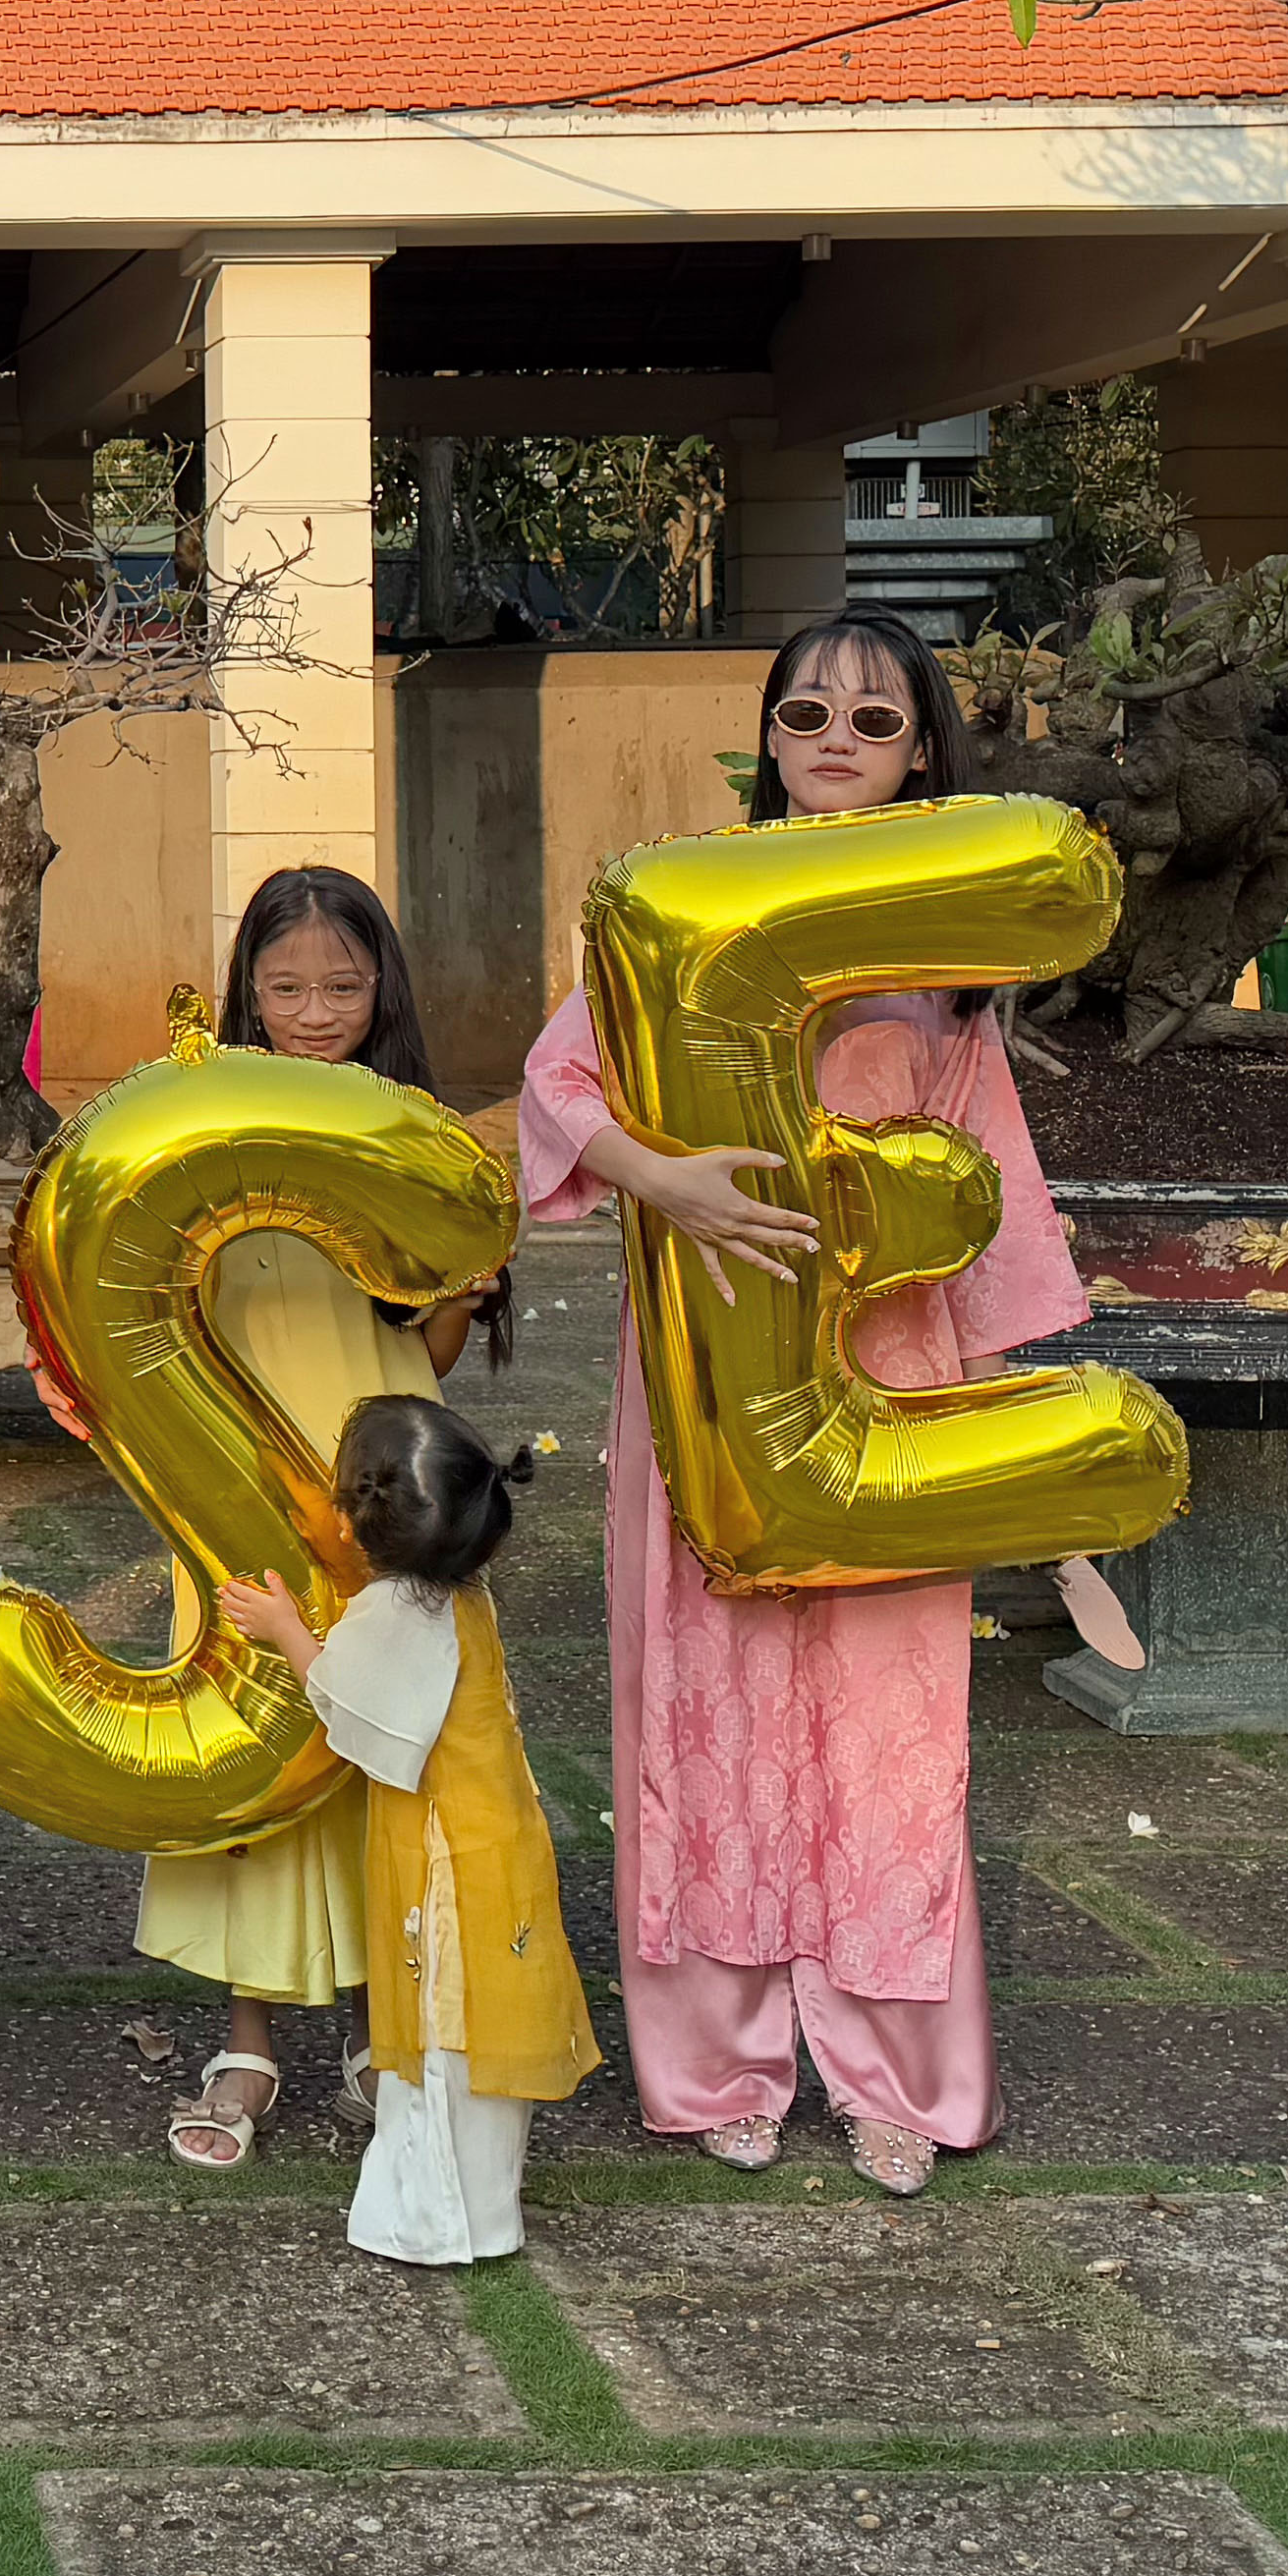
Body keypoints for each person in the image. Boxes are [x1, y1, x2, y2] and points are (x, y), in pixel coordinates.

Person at [514, 608, 1092, 2197]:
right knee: (703, 1711)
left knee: (888, 1728)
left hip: (889, 1385)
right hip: (709, 1374)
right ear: (764, 737)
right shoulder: (685, 913)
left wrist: (1015, 1433)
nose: (833, 737)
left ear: (923, 751)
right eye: (805, 711)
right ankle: (718, 2062)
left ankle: (890, 2063)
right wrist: (664, 1179)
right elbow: (557, 1085)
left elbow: (995, 1197)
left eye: (874, 718)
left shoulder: (947, 976)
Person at [105, 863, 503, 2169]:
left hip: (385, 1453)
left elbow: (427, 1343)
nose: (316, 1008)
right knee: (254, 1735)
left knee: (397, 1732)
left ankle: (397, 2018)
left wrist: (468, 1274)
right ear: (245, 992)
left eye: (342, 983)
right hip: (236, 1457)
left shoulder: (408, 1123)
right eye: (286, 986)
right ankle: (249, 2034)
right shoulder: (202, 1113)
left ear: (382, 983)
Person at [217, 1391, 598, 2264]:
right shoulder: (464, 1592)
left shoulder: (400, 1609)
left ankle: (434, 2222)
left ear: (357, 1525)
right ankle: (478, 2210)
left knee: (442, 2037)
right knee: (470, 2054)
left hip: (445, 1855)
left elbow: (354, 1711)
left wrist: (285, 1631)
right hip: (495, 1835)